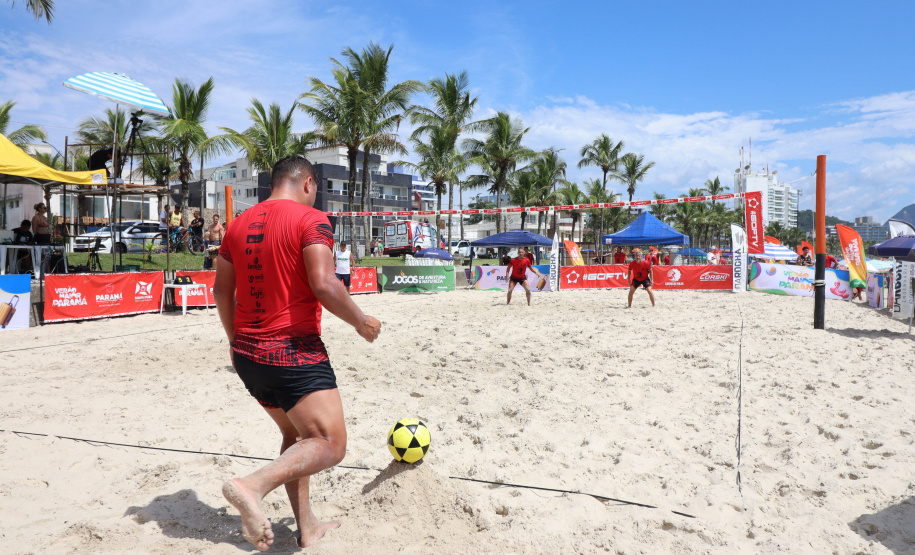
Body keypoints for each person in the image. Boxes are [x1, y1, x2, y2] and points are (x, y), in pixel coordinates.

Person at [214, 155, 381, 551]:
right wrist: (361, 321)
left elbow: (222, 291)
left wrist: (236, 339)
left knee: (296, 435)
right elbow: (323, 284)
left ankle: (307, 526)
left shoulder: (237, 224)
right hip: (292, 351)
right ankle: (251, 486)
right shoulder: (311, 219)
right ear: (308, 182)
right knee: (329, 443)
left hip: (247, 354)